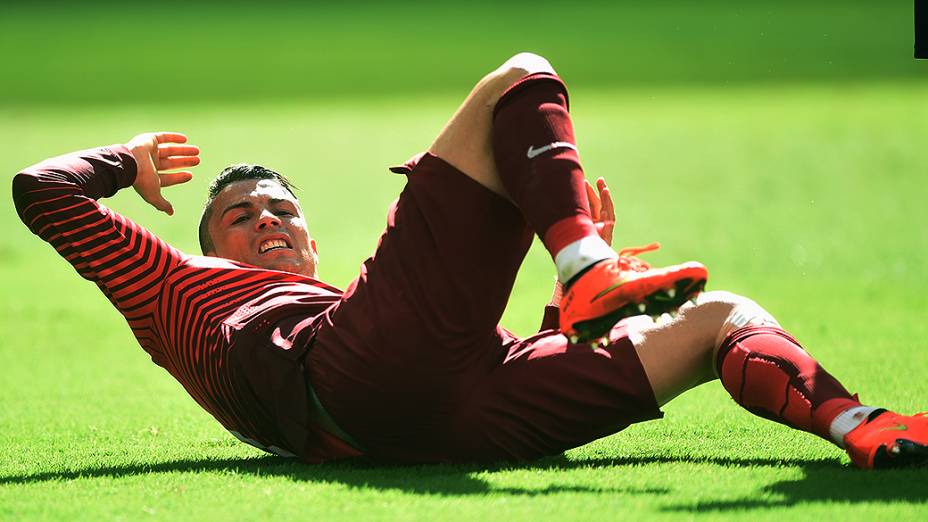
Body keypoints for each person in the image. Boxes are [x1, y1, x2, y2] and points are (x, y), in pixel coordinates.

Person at [13, 53, 926, 469]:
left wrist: (556, 325)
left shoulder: (335, 304)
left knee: (717, 317)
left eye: (284, 209)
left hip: (458, 420)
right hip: (358, 383)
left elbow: (447, 355)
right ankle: (586, 265)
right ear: (208, 247)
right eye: (240, 216)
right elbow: (38, 191)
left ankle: (860, 427)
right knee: (520, 81)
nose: (268, 222)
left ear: (313, 241)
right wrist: (125, 164)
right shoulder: (176, 288)